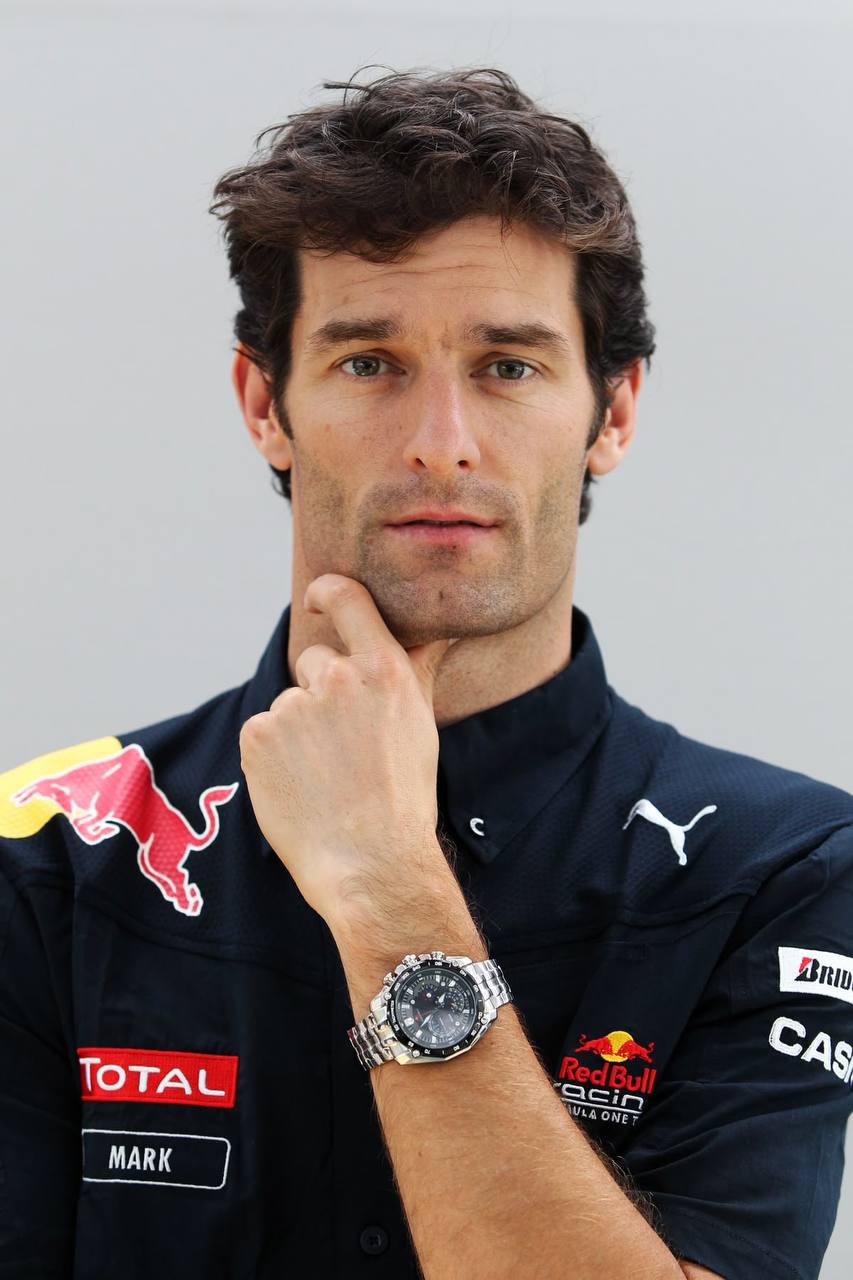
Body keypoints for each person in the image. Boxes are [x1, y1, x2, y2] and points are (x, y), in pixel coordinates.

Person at [1, 65, 851, 1280]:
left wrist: (389, 888)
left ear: (612, 413)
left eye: (508, 365)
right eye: (368, 362)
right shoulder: (48, 853)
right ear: (264, 402)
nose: (440, 441)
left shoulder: (785, 866)